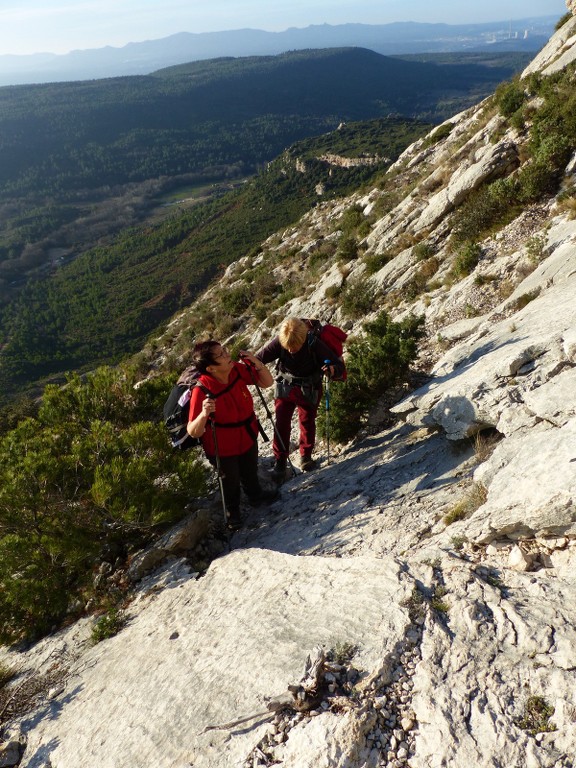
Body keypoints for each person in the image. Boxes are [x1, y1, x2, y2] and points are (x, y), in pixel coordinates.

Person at [186, 340, 277, 531]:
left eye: (224, 351)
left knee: (250, 469)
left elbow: (267, 383)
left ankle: (255, 495)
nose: (228, 355)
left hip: (246, 433)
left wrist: (256, 363)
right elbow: (193, 431)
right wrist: (204, 414)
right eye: (221, 355)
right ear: (210, 368)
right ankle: (232, 514)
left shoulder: (236, 369)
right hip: (222, 445)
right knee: (230, 481)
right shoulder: (201, 390)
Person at [256, 317, 344, 477]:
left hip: (308, 388)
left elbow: (338, 366)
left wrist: (332, 370)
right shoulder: (280, 341)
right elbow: (258, 359)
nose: (290, 350)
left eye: (294, 347)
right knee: (282, 423)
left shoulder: (313, 343)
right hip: (287, 386)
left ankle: (305, 457)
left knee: (307, 421)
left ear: (303, 339)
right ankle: (280, 461)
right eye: (287, 347)